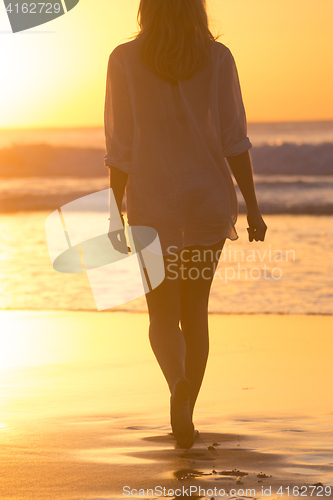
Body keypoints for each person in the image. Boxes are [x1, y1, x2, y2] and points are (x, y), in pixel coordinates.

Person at [105, 0, 267, 449]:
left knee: (161, 314)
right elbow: (235, 137)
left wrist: (112, 206)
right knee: (195, 312)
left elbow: (121, 146)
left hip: (152, 203)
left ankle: (177, 384)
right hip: (206, 202)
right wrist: (253, 206)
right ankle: (187, 406)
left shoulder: (124, 59)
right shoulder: (217, 58)